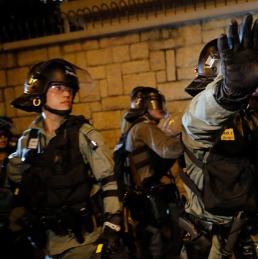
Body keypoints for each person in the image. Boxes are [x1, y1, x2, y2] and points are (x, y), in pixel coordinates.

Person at [180, 14, 258, 258]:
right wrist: (228, 93)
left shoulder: (247, 117)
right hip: (215, 242)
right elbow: (199, 121)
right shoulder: (200, 114)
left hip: (253, 232)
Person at [7, 58, 123, 258]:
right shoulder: (28, 139)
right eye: (58, 87)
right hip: (44, 244)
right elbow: (17, 180)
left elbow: (109, 181)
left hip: (82, 243)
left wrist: (112, 224)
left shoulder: (83, 134)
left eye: (69, 88)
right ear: (40, 93)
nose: (67, 93)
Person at [118, 86, 184, 259]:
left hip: (141, 199)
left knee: (149, 246)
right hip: (151, 199)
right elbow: (168, 149)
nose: (160, 109)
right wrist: (190, 141)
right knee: (163, 247)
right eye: (155, 104)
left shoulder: (130, 126)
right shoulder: (144, 127)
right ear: (144, 107)